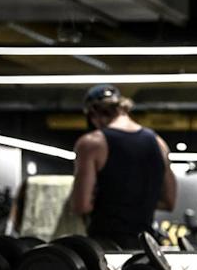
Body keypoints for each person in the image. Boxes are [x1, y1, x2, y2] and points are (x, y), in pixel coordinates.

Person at [69, 84, 177, 250]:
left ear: (93, 115)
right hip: (146, 247)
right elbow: (169, 201)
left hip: (106, 248)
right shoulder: (159, 143)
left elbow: (81, 205)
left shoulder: (92, 143)